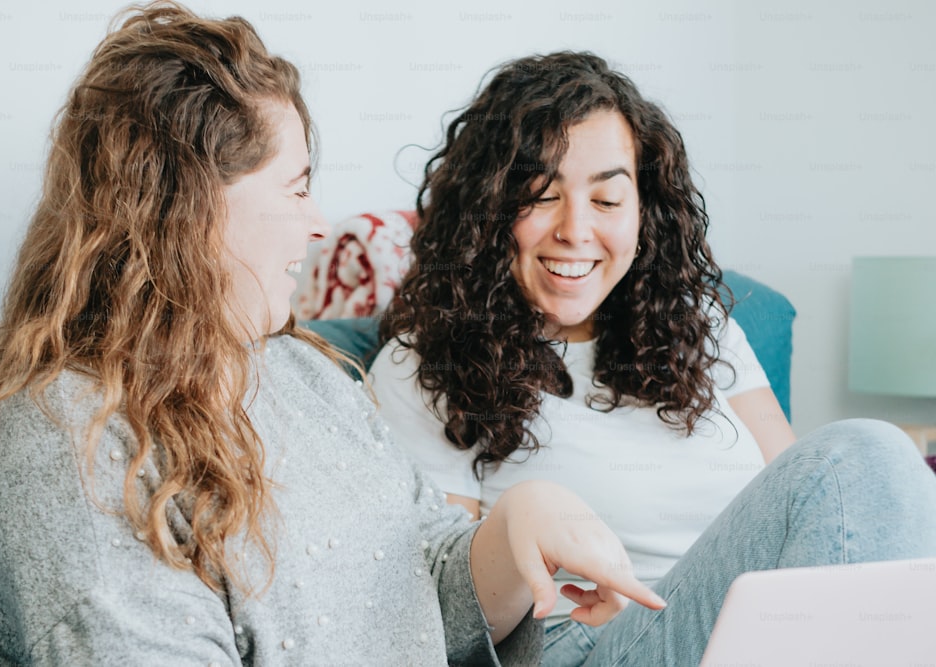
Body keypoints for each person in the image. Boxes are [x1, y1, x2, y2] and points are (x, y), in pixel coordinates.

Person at [0, 10, 668, 666]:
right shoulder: (66, 442)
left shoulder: (302, 371)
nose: (318, 223)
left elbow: (419, 598)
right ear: (190, 210)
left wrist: (522, 521)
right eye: (296, 189)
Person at [369, 51, 936, 665]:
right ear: (487, 210)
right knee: (866, 452)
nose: (576, 230)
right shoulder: (422, 367)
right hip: (586, 644)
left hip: (761, 632)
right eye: (539, 196)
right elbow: (442, 617)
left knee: (874, 469)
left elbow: (801, 498)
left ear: (644, 215)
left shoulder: (703, 326)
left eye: (608, 201)